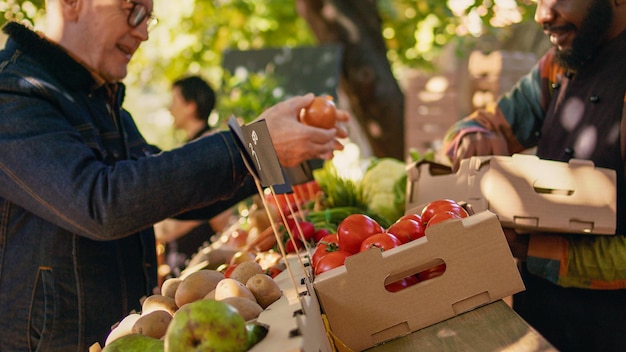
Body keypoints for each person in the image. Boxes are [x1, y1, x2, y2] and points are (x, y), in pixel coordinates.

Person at [0, 0, 348, 350]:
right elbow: (101, 200)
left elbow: (165, 194)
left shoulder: (103, 104)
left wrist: (272, 150)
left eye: (148, 15)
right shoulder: (13, 94)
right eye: (132, 9)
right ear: (72, 4)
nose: (144, 31)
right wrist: (250, 148)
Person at [443, 0, 626, 350]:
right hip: (538, 320)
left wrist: (530, 247)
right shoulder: (556, 67)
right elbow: (475, 125)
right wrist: (472, 138)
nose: (542, 15)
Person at [155, 75, 233, 277]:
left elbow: (218, 212)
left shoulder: (209, 148)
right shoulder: (195, 147)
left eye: (174, 101)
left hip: (203, 262)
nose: (170, 108)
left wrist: (160, 230)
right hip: (190, 260)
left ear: (191, 106)